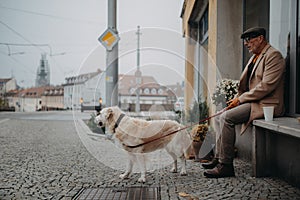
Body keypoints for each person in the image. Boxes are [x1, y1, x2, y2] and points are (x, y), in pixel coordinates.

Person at [202, 27, 286, 178]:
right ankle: (219, 157)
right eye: (244, 41)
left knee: (226, 117)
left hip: (266, 104)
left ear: (260, 38)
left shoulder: (274, 56)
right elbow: (245, 86)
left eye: (249, 40)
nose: (246, 44)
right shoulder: (255, 57)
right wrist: (236, 99)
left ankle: (226, 165)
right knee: (218, 115)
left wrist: (240, 99)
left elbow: (266, 86)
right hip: (253, 101)